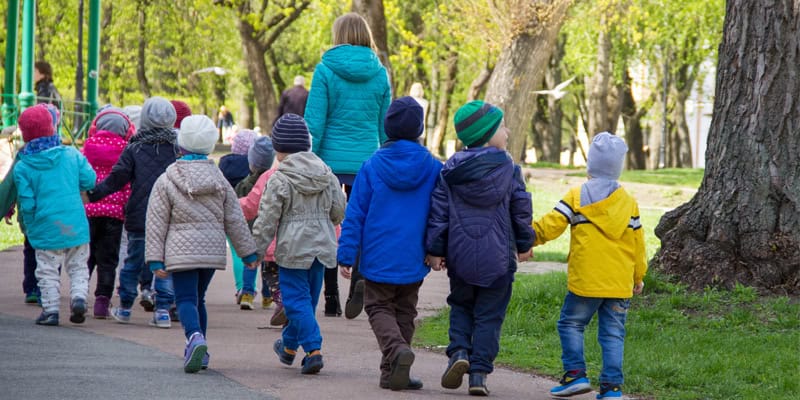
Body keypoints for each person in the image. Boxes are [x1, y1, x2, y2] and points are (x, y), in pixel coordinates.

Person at [426, 100, 535, 396]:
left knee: (461, 305)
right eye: (502, 126)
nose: (508, 130)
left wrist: (436, 249)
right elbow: (520, 210)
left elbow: (439, 212)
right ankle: (478, 375)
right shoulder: (510, 170)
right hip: (498, 259)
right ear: (486, 135)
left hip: (460, 256)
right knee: (489, 315)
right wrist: (525, 244)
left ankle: (459, 352)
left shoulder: (450, 169)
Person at [337, 97, 442, 390]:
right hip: (415, 254)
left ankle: (396, 352)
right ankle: (393, 374)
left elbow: (355, 213)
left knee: (378, 306)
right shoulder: (433, 167)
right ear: (419, 129)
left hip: (378, 254)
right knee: (405, 311)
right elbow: (440, 211)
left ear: (387, 128)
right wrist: (437, 249)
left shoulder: (371, 166)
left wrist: (346, 253)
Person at [533, 132, 647, 400]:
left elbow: (551, 225)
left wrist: (528, 237)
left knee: (571, 324)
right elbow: (638, 244)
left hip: (587, 280)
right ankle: (612, 388)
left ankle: (575, 375)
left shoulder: (577, 196)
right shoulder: (629, 202)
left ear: (590, 165)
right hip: (619, 282)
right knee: (613, 334)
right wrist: (638, 276)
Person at [146, 115, 258, 373]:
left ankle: (195, 337)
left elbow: (156, 221)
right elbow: (235, 220)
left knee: (185, 299)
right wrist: (248, 253)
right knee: (199, 299)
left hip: (180, 252)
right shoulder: (219, 180)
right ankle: (201, 350)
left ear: (180, 145)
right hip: (211, 251)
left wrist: (155, 258)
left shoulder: (167, 180)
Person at [305, 12, 391, 319]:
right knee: (360, 222)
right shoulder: (380, 73)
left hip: (328, 162)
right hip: (367, 161)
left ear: (338, 35)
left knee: (327, 225)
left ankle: (330, 297)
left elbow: (315, 121)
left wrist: (305, 156)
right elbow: (385, 125)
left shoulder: (325, 70)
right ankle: (358, 279)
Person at [251, 113, 346, 375]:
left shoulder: (279, 178)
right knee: (306, 302)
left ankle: (313, 350)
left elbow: (267, 219)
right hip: (323, 249)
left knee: (295, 302)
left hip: (293, 250)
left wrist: (255, 251)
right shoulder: (326, 173)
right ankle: (289, 346)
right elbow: (339, 211)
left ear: (279, 150)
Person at [87, 97, 178, 328]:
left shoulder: (135, 147)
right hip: (170, 216)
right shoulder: (179, 148)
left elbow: (117, 179)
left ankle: (126, 307)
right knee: (165, 264)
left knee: (133, 262)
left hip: (140, 215)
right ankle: (163, 310)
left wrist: (93, 194)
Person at [13, 104, 96, 325]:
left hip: (46, 226)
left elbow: (27, 202)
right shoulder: (70, 154)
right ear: (52, 127)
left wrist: (31, 226)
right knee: (78, 266)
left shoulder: (23, 167)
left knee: (47, 270)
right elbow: (90, 179)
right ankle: (78, 298)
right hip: (75, 224)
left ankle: (50, 310)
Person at [82, 108, 136, 318]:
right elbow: (128, 184)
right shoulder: (127, 149)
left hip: (89, 211)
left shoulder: (87, 146)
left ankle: (79, 294)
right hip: (114, 216)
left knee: (86, 258)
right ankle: (102, 303)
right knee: (108, 261)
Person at [238, 135, 286, 325]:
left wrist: (231, 209)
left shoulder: (269, 176)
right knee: (296, 280)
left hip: (271, 242)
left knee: (272, 276)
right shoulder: (318, 175)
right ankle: (294, 308)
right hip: (301, 245)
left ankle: (281, 301)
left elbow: (251, 204)